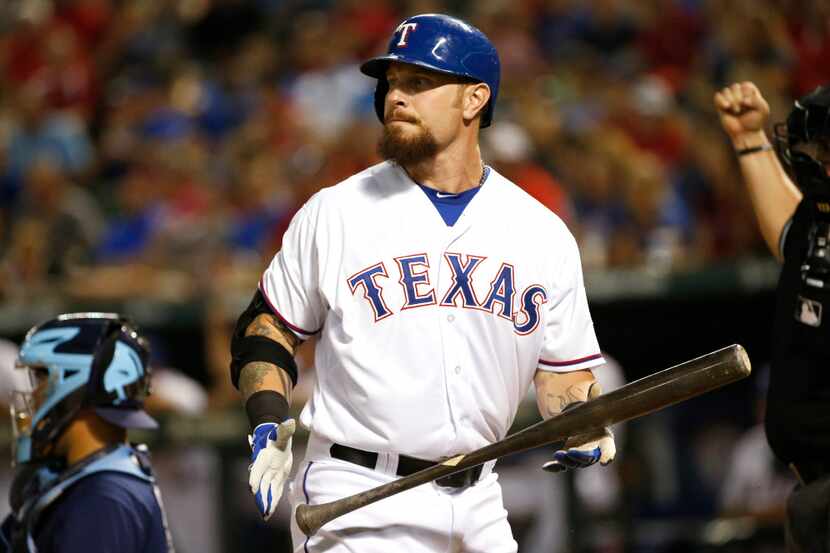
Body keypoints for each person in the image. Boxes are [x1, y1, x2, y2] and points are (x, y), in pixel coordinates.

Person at [229, 14, 616, 553]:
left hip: (480, 498)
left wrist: (583, 419)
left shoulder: (541, 233)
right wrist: (268, 421)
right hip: (358, 491)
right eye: (391, 83)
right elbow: (265, 331)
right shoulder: (335, 213)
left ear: (475, 99)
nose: (395, 97)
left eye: (420, 83)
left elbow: (563, 378)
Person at [715, 82, 830, 551]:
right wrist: (749, 141)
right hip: (813, 490)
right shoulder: (820, 223)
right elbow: (789, 232)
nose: (820, 159)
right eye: (822, 146)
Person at [0, 313, 175, 553]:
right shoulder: (91, 481)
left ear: (74, 386)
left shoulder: (103, 500)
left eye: (42, 378)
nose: (33, 394)